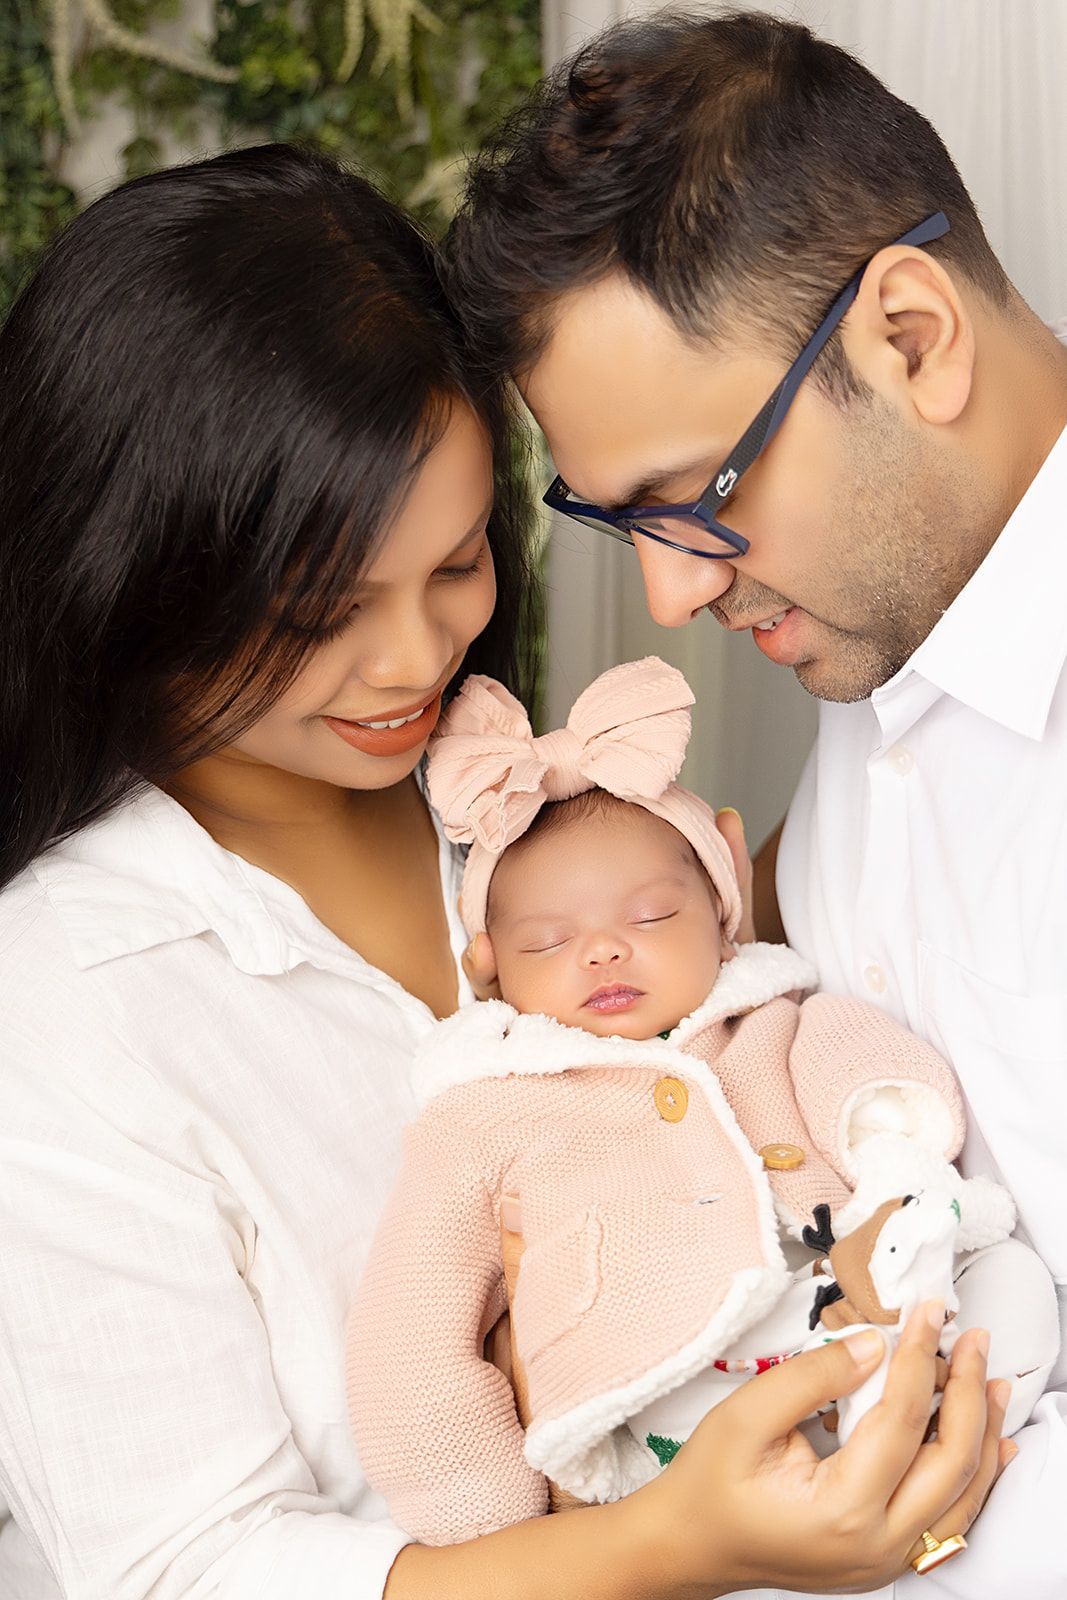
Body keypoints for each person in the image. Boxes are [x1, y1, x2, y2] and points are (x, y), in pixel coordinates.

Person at [0, 140, 1004, 1600]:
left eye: (457, 564)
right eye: (317, 610)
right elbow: (178, 1569)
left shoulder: (541, 810)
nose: (413, 663)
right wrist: (666, 1543)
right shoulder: (62, 998)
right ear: (132, 571)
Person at [444, 8, 1067, 1596]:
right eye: (612, 521)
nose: (660, 599)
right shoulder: (891, 655)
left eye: (693, 498)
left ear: (909, 337)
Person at [347, 657, 1054, 1548]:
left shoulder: (769, 1024)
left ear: (721, 916)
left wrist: (892, 1175)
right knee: (687, 1422)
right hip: (668, 1391)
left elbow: (870, 1074)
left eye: (648, 919)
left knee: (1014, 1283)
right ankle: (883, 1437)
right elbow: (410, 1325)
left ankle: (931, 1426)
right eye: (551, 939)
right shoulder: (485, 1114)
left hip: (844, 1298)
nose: (603, 954)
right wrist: (485, 1519)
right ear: (489, 964)